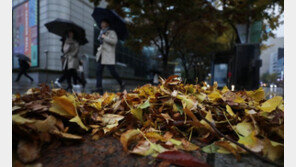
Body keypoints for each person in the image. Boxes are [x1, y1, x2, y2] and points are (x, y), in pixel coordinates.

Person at [93, 19, 125, 94]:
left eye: (103, 22)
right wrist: (101, 37)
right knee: (98, 71)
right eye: (101, 22)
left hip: (108, 55)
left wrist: (105, 37)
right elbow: (102, 42)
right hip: (102, 54)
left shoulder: (112, 32)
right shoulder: (102, 32)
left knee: (112, 71)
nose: (101, 24)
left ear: (107, 24)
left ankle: (121, 83)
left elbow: (114, 42)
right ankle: (99, 87)